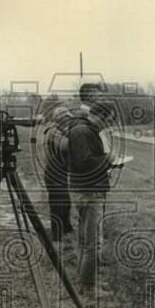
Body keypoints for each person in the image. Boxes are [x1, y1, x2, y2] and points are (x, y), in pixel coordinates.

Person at [67, 83, 115, 295]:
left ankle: (87, 280)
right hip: (88, 192)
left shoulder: (87, 130)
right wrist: (108, 161)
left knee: (87, 239)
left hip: (90, 190)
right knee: (92, 242)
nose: (111, 124)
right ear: (102, 117)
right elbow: (84, 162)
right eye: (110, 119)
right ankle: (88, 286)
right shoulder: (82, 132)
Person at [39, 100, 75, 246]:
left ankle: (66, 230)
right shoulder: (53, 132)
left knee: (65, 202)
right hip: (54, 172)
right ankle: (56, 236)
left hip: (59, 171)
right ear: (60, 119)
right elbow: (66, 146)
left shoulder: (57, 130)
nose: (69, 123)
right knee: (57, 204)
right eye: (67, 119)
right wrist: (74, 136)